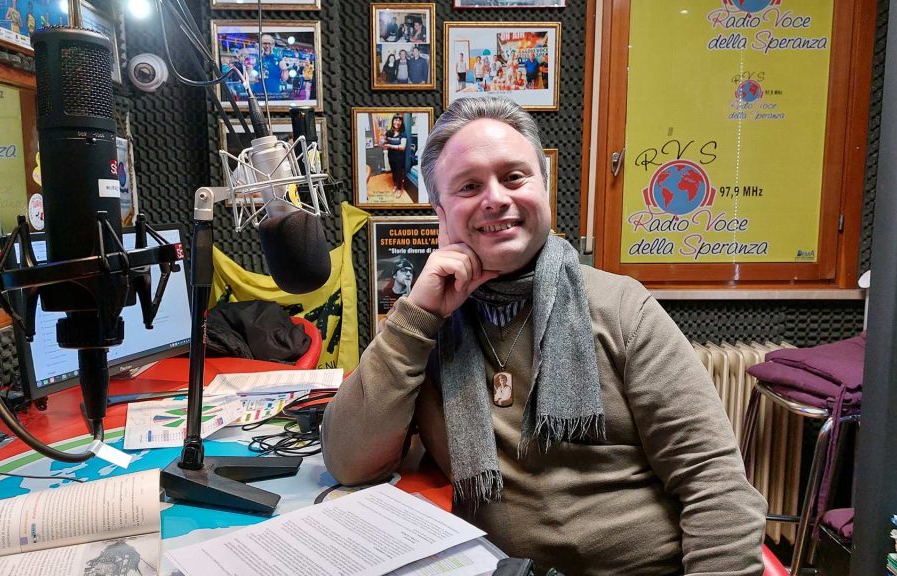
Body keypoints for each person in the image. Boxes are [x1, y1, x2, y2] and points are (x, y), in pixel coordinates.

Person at [322, 96, 767, 575]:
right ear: (441, 213)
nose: (496, 198)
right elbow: (349, 463)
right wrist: (417, 316)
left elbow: (716, 488)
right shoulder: (427, 324)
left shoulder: (622, 308)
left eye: (514, 177)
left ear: (545, 188)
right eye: (469, 186)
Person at [382, 115, 408, 199]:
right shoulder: (389, 132)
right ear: (393, 121)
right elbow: (383, 141)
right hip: (391, 156)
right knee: (393, 172)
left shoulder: (403, 133)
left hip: (399, 158)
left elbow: (403, 147)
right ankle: (395, 185)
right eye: (396, 120)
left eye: (399, 120)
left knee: (399, 173)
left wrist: (390, 145)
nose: (397, 122)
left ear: (401, 122)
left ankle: (399, 189)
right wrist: (382, 140)